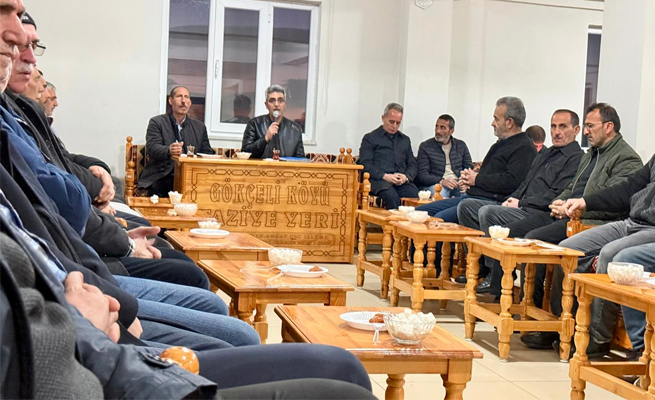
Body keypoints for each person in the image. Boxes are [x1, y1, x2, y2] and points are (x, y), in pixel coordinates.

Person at [515, 103, 642, 350]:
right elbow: (572, 188)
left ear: (609, 127)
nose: (586, 131)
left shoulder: (626, 158)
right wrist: (559, 202)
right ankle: (536, 314)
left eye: (590, 126)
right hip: (574, 216)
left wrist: (575, 208)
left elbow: (615, 201)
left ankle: (556, 324)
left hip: (595, 222)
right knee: (531, 238)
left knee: (555, 247)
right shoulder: (590, 155)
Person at [542, 153, 655, 358]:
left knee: (611, 254)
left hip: (652, 230)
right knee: (569, 249)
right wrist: (585, 201)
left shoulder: (625, 157)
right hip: (631, 223)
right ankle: (562, 324)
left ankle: (598, 337)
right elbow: (629, 188)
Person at [458, 109, 583, 293]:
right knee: (466, 206)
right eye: (553, 126)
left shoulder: (576, 158)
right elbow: (525, 182)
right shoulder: (546, 153)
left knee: (488, 213)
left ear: (576, 130)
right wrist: (512, 198)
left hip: (537, 212)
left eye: (563, 127)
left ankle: (495, 276)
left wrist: (520, 203)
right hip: (520, 205)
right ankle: (481, 266)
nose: (557, 132)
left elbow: (555, 196)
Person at [416, 96, 537, 223]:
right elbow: (489, 173)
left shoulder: (524, 148)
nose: (492, 123)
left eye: (496, 119)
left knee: (438, 219)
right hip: (472, 196)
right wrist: (469, 178)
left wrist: (476, 179)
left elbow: (511, 182)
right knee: (420, 212)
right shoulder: (500, 144)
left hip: (488, 202)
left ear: (509, 122)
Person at [138, 86, 214, 196]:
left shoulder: (200, 127)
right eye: (179, 96)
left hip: (191, 177)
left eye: (186, 97)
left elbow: (207, 153)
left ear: (190, 103)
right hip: (162, 176)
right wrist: (169, 150)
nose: (183, 101)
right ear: (170, 100)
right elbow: (152, 148)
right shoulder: (157, 122)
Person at [358, 102, 418, 210]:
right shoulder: (370, 138)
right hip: (380, 181)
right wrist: (385, 176)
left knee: (415, 195)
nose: (394, 126)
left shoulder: (404, 140)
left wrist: (406, 177)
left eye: (398, 123)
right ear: (383, 118)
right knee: (391, 197)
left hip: (400, 182)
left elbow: (412, 164)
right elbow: (365, 164)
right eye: (391, 122)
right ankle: (391, 222)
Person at [415, 114, 473, 199]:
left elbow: (468, 168)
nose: (438, 131)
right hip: (437, 185)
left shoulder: (461, 145)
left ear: (451, 131)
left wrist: (464, 182)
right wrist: (442, 181)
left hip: (457, 183)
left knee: (469, 196)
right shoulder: (426, 146)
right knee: (439, 195)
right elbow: (422, 175)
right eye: (437, 127)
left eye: (442, 128)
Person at [241, 84, 305, 159]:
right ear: (266, 105)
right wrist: (265, 139)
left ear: (285, 104)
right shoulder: (254, 124)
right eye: (272, 101)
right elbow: (245, 153)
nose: (276, 104)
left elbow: (300, 159)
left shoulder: (295, 129)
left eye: (280, 100)